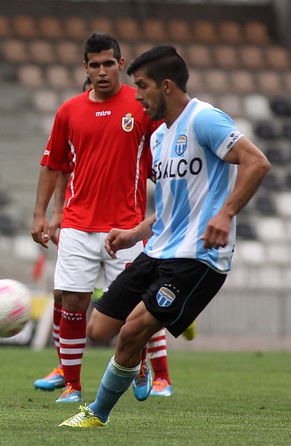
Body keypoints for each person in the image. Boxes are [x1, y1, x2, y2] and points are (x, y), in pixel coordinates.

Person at [59, 44, 270, 428]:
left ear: (167, 86)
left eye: (142, 86)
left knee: (132, 331)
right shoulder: (159, 139)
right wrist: (132, 233)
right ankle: (173, 313)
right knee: (100, 329)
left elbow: (257, 161)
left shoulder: (205, 119)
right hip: (158, 249)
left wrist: (226, 214)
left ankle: (96, 413)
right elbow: (173, 207)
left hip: (199, 256)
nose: (136, 95)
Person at [31, 31, 172, 403]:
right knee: (73, 302)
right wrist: (41, 216)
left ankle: (144, 364)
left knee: (130, 309)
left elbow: (160, 159)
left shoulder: (140, 106)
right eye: (95, 65)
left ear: (121, 65)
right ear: (85, 68)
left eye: (109, 63)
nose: (102, 71)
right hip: (78, 225)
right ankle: (73, 386)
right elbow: (53, 165)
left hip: (126, 228)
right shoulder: (69, 111)